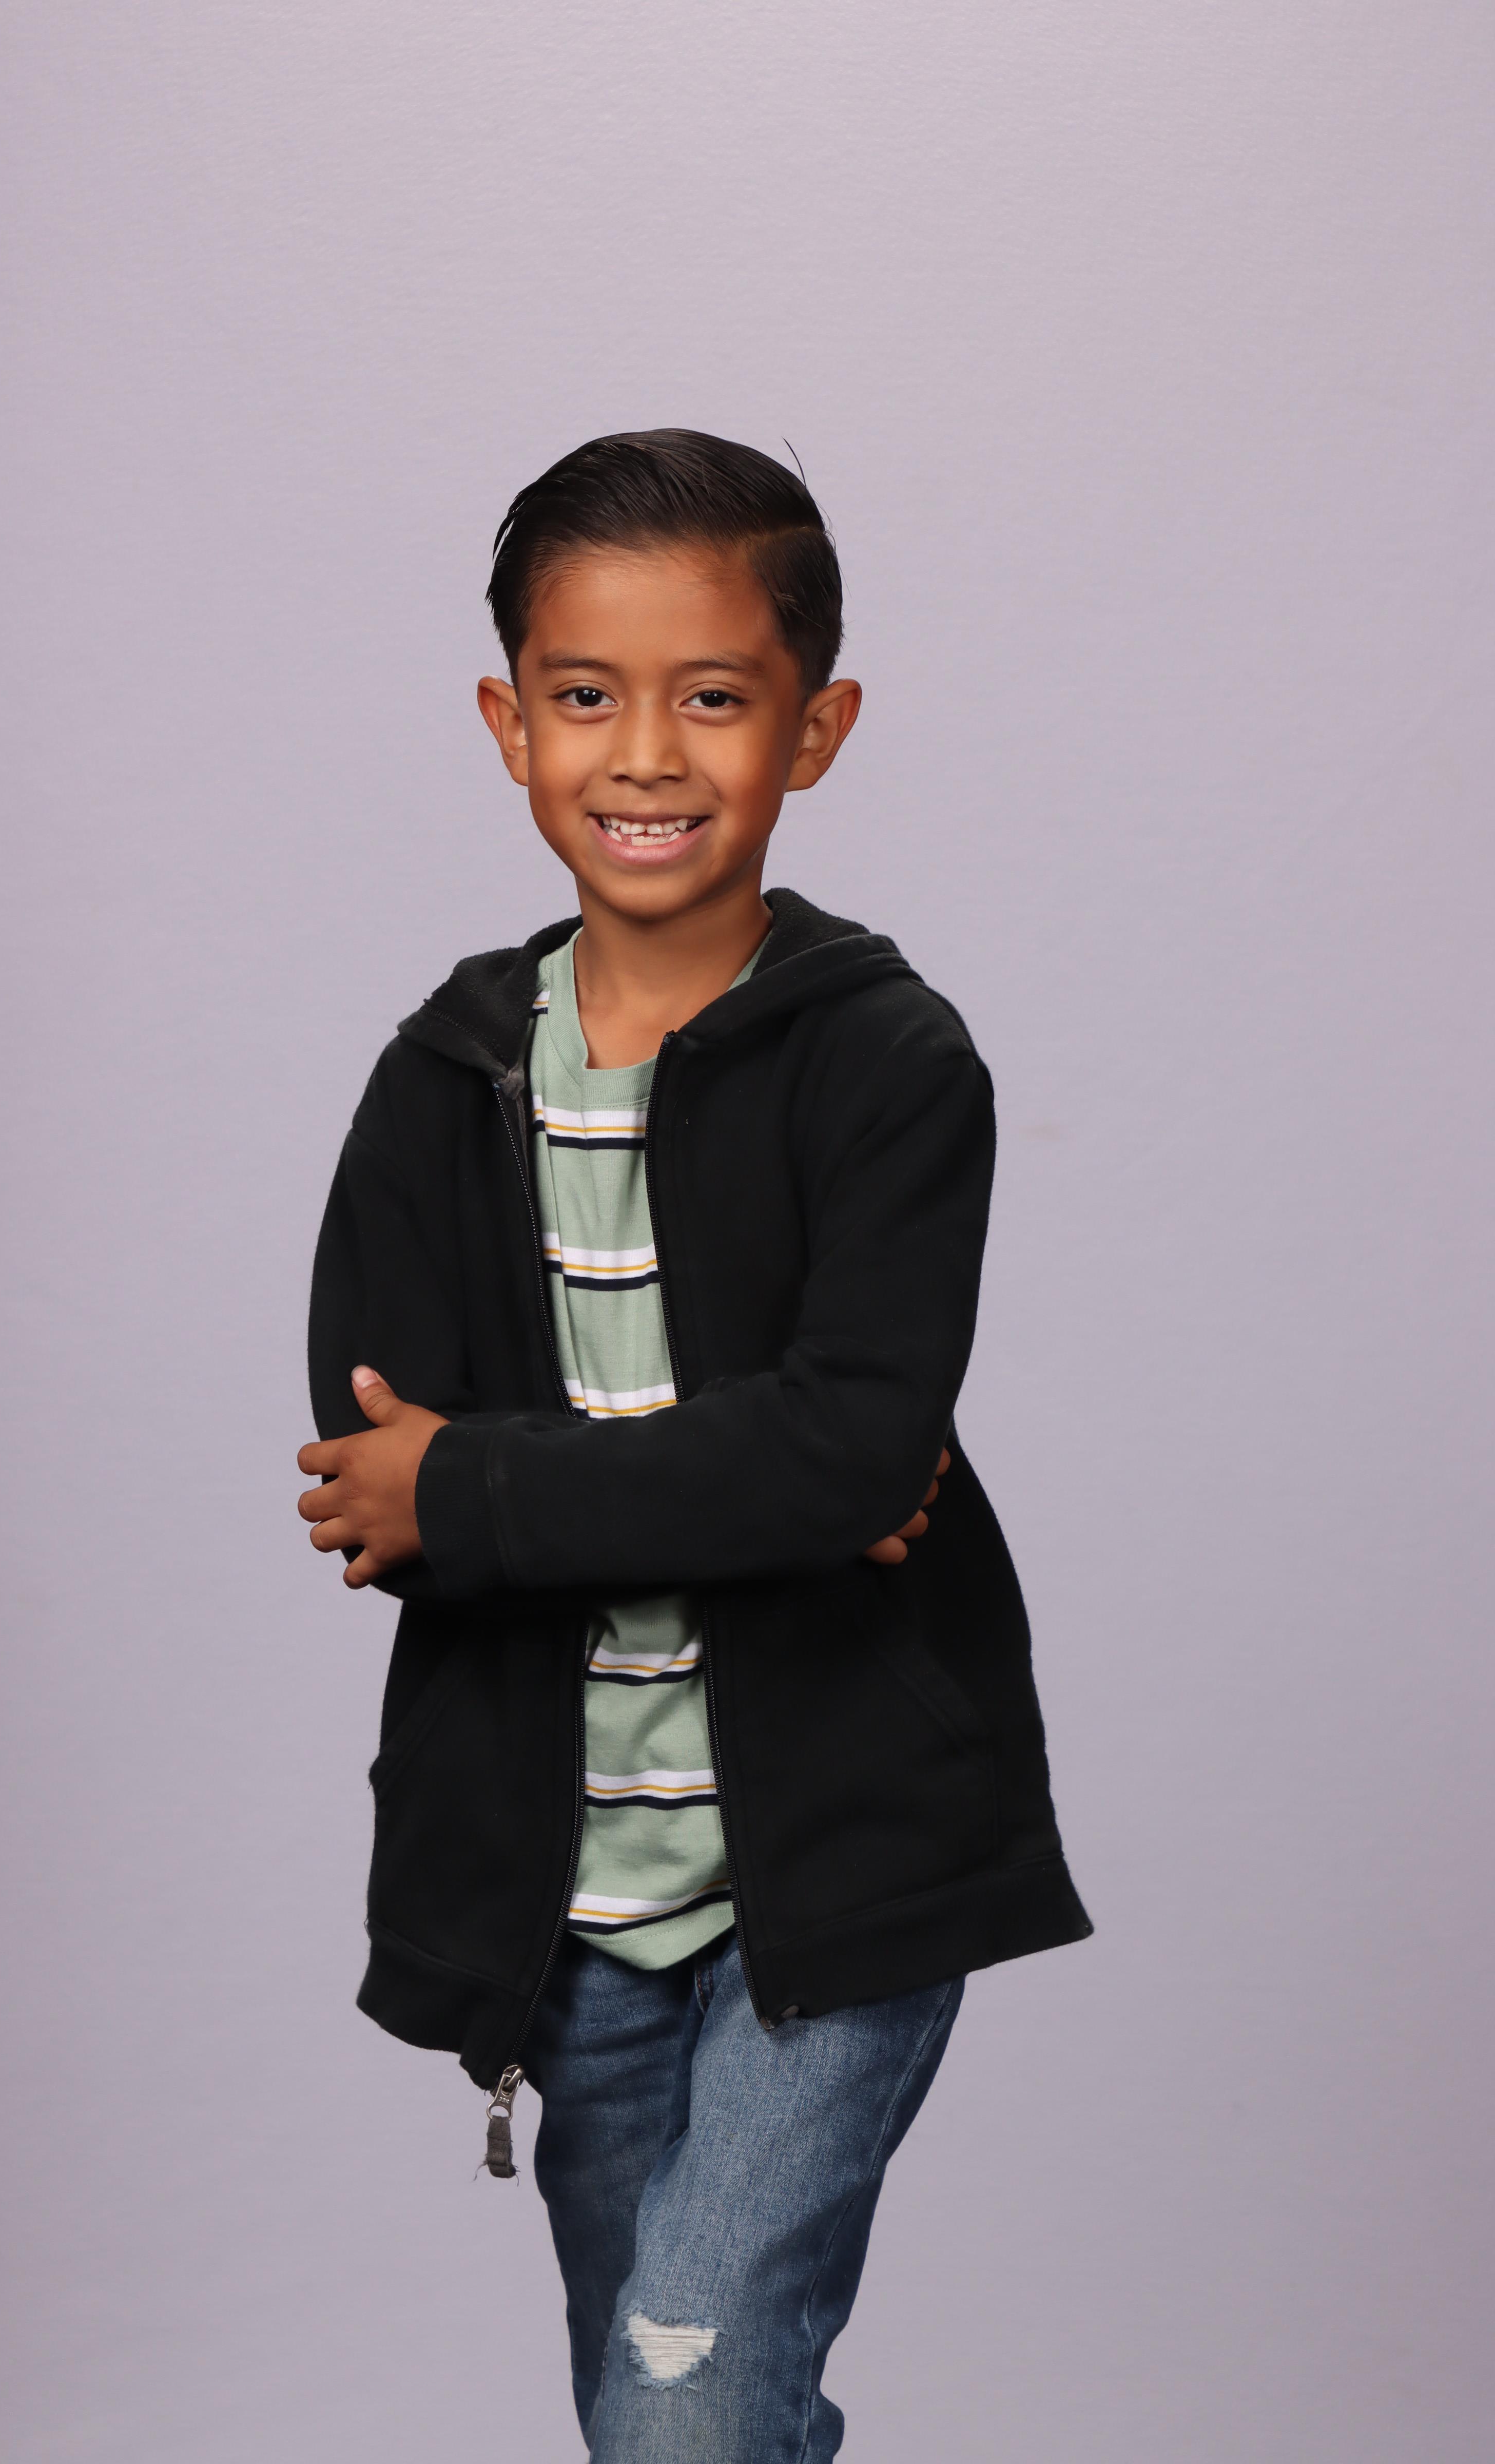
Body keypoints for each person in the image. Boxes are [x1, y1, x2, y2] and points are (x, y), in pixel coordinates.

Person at [297, 429, 1091, 2460]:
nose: (643, 754)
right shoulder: (443, 1076)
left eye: (713, 697)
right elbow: (371, 1494)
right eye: (584, 694)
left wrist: (496, 1485)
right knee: (658, 2408)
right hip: (563, 1897)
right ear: (509, 724)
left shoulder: (886, 1062)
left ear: (812, 729)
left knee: (688, 2386)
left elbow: (843, 1457)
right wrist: (760, 1480)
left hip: (832, 1875)